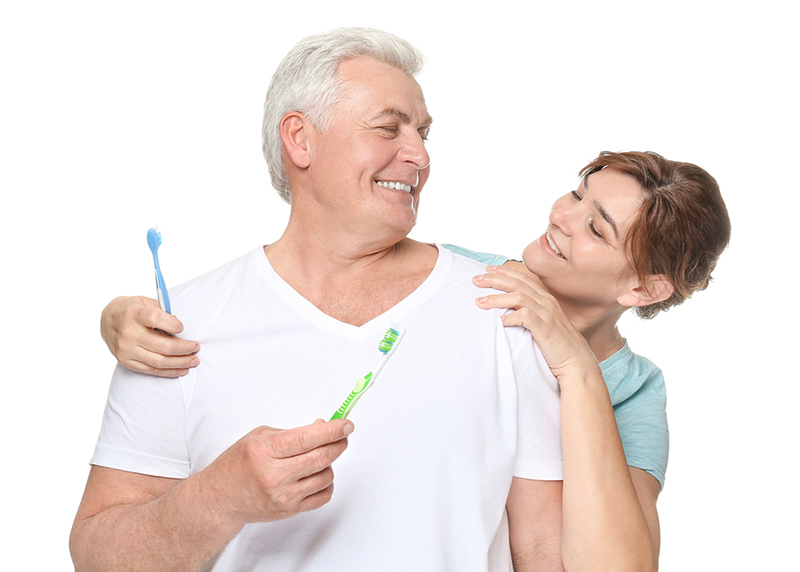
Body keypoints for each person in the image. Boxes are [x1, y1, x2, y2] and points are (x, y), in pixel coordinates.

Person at [70, 28, 564, 572]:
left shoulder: (504, 311)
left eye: (423, 133)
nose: (420, 155)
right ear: (300, 139)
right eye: (389, 127)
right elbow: (97, 559)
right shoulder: (173, 332)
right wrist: (217, 498)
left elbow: (542, 550)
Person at [101, 150, 730, 571]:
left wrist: (576, 367)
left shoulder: (633, 391)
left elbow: (614, 564)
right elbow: (303, 282)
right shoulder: (455, 277)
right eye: (575, 194)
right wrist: (121, 316)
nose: (563, 218)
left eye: (597, 228)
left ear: (643, 288)